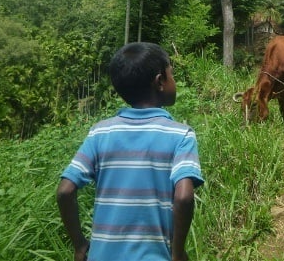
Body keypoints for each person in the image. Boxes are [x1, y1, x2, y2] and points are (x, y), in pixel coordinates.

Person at [57, 42, 204, 261]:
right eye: (171, 74)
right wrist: (177, 253)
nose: (174, 80)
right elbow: (183, 197)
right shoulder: (180, 135)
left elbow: (65, 191)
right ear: (160, 82)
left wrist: (79, 245)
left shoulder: (99, 133)